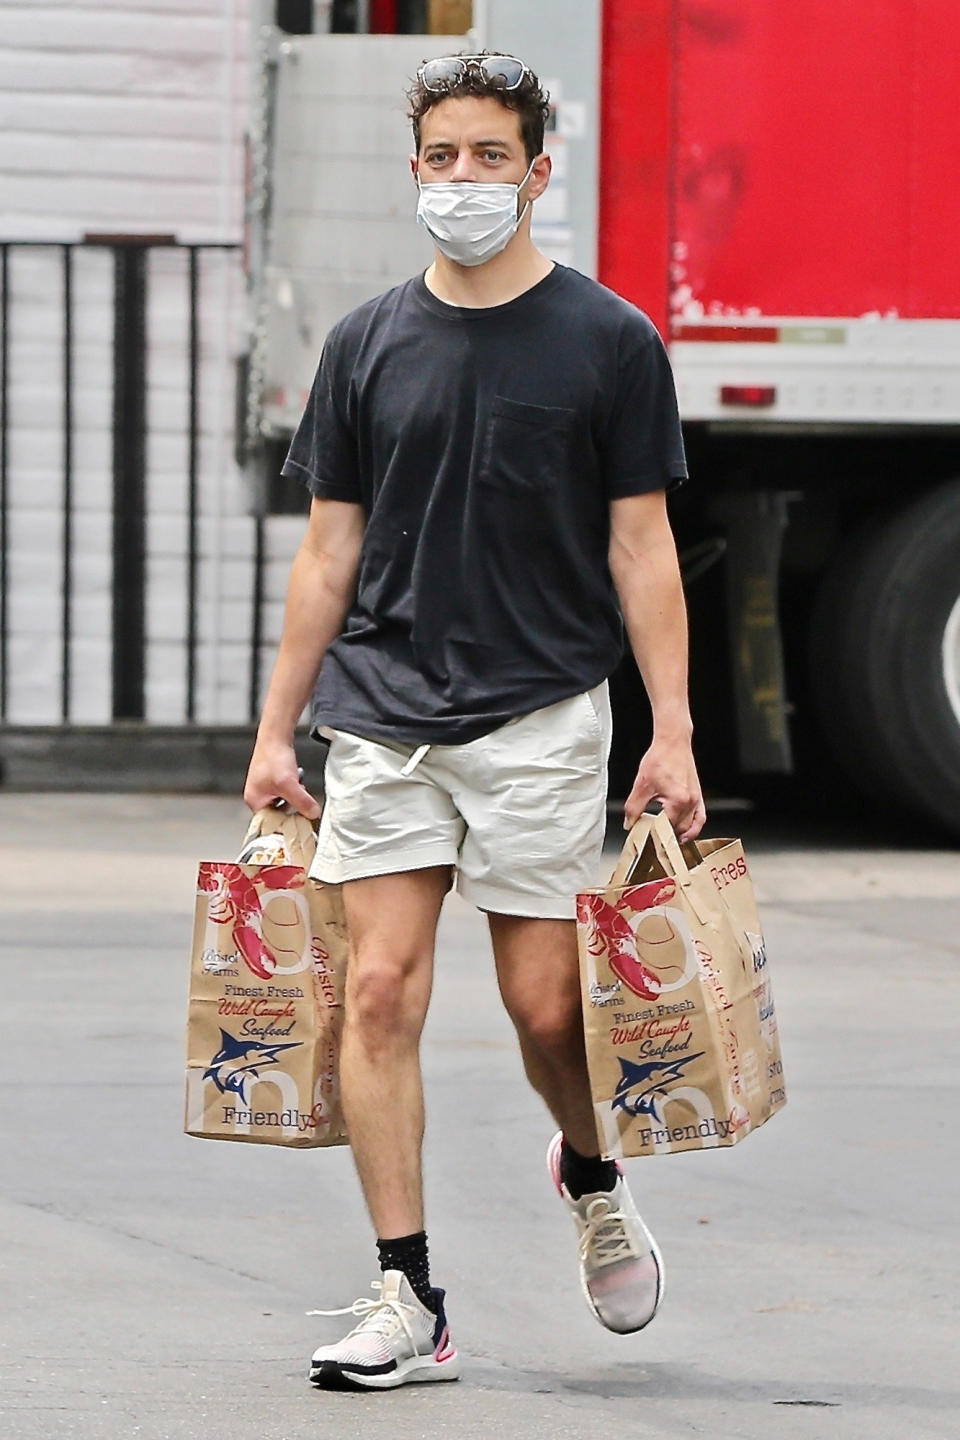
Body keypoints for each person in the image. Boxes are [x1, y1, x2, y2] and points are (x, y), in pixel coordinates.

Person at [243, 50, 706, 1393]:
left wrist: (667, 731)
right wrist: (279, 734)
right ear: (415, 170)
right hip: (384, 718)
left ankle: (591, 1170)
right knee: (375, 992)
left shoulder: (610, 341)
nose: (462, 179)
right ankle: (410, 1295)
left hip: (540, 715)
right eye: (441, 156)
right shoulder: (366, 343)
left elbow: (643, 552)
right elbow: (326, 554)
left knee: (548, 1011)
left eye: (488, 157)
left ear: (537, 171)